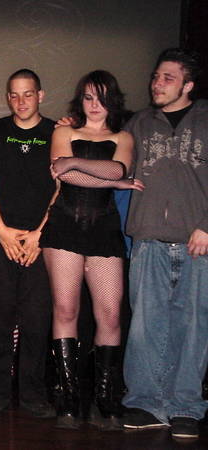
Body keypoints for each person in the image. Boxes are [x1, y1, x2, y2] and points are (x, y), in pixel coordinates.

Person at [40, 70, 144, 429]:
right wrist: (115, 180)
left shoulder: (123, 137)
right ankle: (68, 398)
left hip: (104, 229)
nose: (94, 104)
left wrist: (75, 161)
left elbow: (118, 168)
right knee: (66, 309)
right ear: (80, 100)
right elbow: (65, 176)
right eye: (88, 97)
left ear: (112, 100)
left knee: (111, 314)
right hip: (64, 226)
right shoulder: (64, 132)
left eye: (101, 97)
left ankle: (105, 399)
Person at [121, 48, 208, 440]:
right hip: (149, 240)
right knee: (145, 326)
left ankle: (185, 406)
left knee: (193, 327)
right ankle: (146, 403)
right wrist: (74, 125)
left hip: (198, 243)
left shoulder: (206, 119)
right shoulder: (140, 123)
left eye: (168, 78)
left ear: (188, 85)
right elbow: (108, 145)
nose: (157, 83)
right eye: (156, 76)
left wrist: (206, 226)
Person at [0, 69, 56, 419]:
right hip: (0, 239)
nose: (21, 101)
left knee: (37, 319)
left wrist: (40, 234)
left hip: (42, 240)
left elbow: (63, 186)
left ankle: (33, 394)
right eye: (14, 95)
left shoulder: (56, 133)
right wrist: (2, 231)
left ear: (40, 95)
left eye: (28, 94)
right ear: (8, 97)